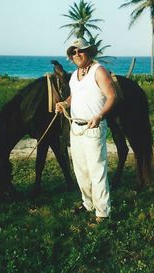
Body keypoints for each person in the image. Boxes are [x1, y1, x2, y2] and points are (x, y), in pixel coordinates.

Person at [55, 38, 116, 222]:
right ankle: (88, 203)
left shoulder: (99, 71)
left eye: (80, 51)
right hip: (76, 129)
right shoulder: (75, 75)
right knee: (81, 170)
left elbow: (112, 96)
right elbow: (75, 95)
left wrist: (100, 116)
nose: (77, 54)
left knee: (97, 170)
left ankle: (103, 213)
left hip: (93, 127)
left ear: (88, 51)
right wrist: (64, 103)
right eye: (73, 52)